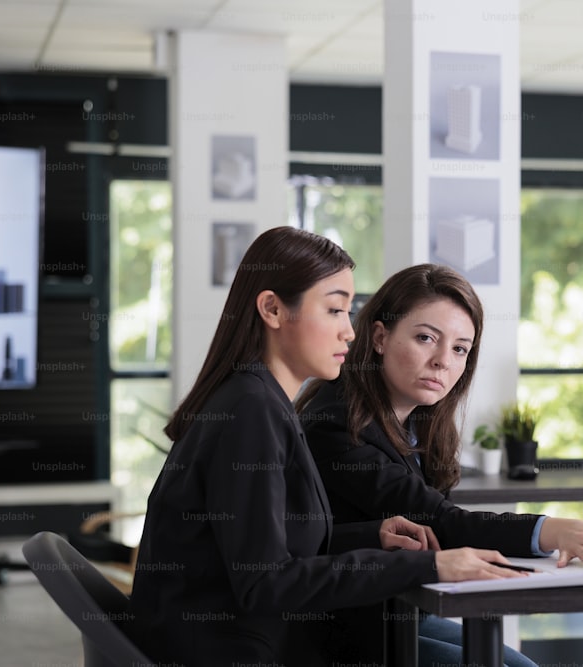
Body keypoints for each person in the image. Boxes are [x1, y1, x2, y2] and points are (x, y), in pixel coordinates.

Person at [126, 229, 527, 667]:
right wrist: (429, 566)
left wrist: (370, 536)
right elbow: (265, 583)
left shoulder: (257, 401)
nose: (349, 332)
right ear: (273, 309)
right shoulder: (251, 412)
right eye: (335, 310)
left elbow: (265, 547)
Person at [297, 263, 583, 667]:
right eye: (425, 338)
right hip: (340, 629)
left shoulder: (415, 423)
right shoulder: (336, 423)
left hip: (398, 610)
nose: (443, 361)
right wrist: (549, 529)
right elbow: (441, 521)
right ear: (380, 337)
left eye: (460, 348)